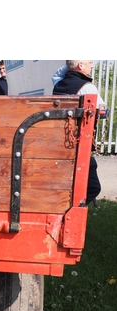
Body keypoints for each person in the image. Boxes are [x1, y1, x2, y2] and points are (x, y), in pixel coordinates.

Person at [53, 60, 108, 206]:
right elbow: (102, 112)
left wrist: (72, 63)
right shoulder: (87, 87)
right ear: (81, 65)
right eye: (89, 62)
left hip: (61, 145)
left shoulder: (58, 84)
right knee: (93, 187)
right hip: (79, 145)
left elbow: (58, 73)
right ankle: (71, 211)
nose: (92, 65)